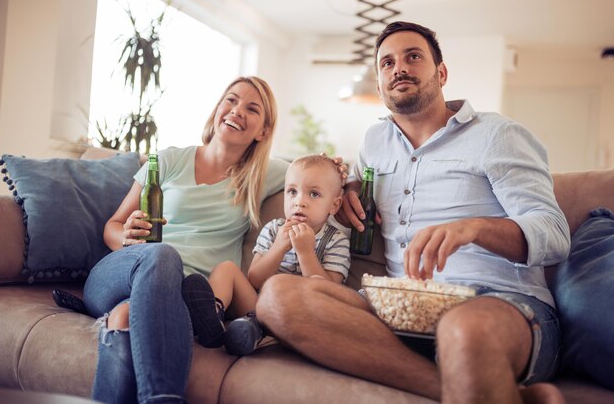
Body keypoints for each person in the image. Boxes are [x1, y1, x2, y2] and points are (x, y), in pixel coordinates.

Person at [256, 22, 571, 404]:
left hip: (499, 303)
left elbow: (554, 235)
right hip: (399, 307)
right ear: (379, 85)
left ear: (441, 73)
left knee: (463, 330)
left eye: (413, 56)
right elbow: (347, 186)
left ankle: (474, 374)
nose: (399, 68)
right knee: (277, 297)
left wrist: (474, 228)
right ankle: (473, 389)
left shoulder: (497, 134)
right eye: (387, 63)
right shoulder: (374, 141)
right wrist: (351, 186)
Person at [82, 76, 287, 404]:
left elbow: (318, 175)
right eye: (231, 100)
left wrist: (346, 184)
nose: (237, 111)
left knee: (124, 318)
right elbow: (113, 226)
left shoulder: (264, 176)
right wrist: (127, 234)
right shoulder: (168, 160)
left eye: (252, 108)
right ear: (218, 108)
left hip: (182, 295)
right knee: (162, 254)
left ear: (263, 130)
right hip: (122, 272)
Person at [182, 153, 350, 356]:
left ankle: (254, 334)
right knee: (226, 268)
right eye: (292, 192)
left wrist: (305, 253)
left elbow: (329, 294)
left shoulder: (336, 240)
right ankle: (211, 317)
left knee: (255, 327)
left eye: (313, 194)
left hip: (300, 317)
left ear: (334, 205)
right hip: (259, 307)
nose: (300, 202)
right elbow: (255, 278)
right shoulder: (274, 229)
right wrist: (279, 247)